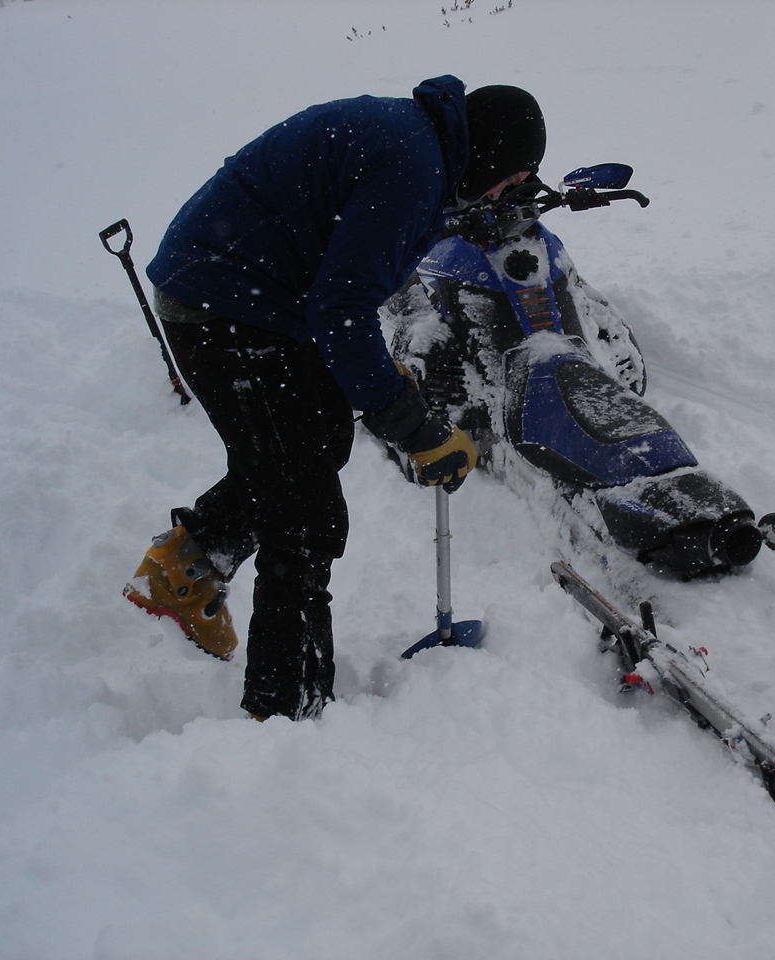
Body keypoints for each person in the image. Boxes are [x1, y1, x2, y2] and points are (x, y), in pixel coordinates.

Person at [122, 76, 546, 721]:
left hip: (258, 300)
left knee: (318, 437)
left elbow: (346, 284)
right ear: (489, 153)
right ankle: (285, 712)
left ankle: (187, 564)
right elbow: (343, 310)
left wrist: (381, 386)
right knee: (304, 511)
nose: (503, 193)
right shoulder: (412, 163)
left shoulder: (423, 146)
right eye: (509, 179)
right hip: (223, 308)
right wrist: (416, 427)